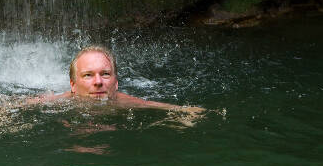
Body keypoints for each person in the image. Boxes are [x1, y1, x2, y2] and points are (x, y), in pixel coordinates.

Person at [29, 45, 205, 116]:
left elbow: (154, 105)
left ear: (116, 82)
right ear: (73, 85)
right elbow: (13, 106)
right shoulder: (59, 102)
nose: (98, 82)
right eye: (88, 75)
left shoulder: (122, 101)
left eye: (105, 74)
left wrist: (186, 113)